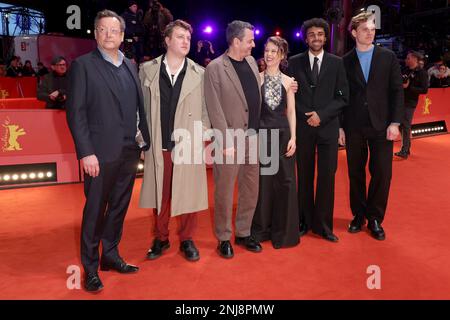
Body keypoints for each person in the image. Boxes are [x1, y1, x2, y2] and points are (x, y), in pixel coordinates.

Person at [66, 9, 151, 292]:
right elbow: (75, 113)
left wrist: (142, 141)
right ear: (96, 33)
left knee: (118, 207)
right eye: (102, 29)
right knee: (95, 211)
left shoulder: (130, 64)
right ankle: (90, 268)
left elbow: (138, 107)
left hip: (128, 151)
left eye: (114, 31)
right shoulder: (83, 66)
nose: (108, 35)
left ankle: (111, 256)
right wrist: (85, 152)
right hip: (99, 155)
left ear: (123, 35)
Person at [139, 20, 210, 262]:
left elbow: (205, 111)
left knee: (188, 193)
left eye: (188, 38)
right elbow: (140, 109)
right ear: (167, 40)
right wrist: (141, 138)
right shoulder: (147, 70)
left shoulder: (200, 73)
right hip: (159, 143)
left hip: (187, 144)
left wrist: (202, 136)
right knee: (160, 195)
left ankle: (187, 239)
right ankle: (161, 238)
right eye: (179, 37)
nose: (185, 41)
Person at [340, 11, 404, 241]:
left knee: (382, 173)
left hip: (382, 125)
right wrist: (340, 127)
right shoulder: (344, 61)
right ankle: (358, 215)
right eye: (365, 29)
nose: (371, 33)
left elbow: (397, 91)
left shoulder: (388, 57)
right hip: (353, 124)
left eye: (373, 28)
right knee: (355, 173)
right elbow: (341, 95)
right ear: (354, 32)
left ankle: (375, 218)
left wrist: (395, 122)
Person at [204, 20, 263, 258]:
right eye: (250, 40)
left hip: (254, 137)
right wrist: (224, 141)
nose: (253, 44)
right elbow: (214, 107)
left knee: (251, 188)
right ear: (236, 41)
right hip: (229, 139)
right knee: (225, 191)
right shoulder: (215, 68)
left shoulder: (250, 61)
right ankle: (223, 237)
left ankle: (243, 232)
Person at [288, 18, 349, 242]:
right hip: (303, 129)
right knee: (303, 177)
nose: (316, 38)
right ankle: (303, 221)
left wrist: (321, 115)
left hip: (328, 129)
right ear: (306, 38)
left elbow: (343, 96)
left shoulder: (336, 63)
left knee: (327, 177)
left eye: (320, 34)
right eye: (312, 34)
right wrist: (309, 115)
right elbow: (290, 95)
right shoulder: (293, 62)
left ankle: (323, 226)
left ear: (325, 37)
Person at [251, 36, 299, 249]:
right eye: (267, 50)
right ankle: (261, 231)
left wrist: (294, 138)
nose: (269, 55)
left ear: (282, 55)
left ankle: (284, 232)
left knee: (286, 183)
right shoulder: (257, 79)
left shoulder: (289, 81)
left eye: (274, 51)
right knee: (264, 184)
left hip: (282, 136)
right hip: (263, 136)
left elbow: (291, 112)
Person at [395, 51, 429, 159]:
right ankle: (406, 148)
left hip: (410, 102)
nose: (406, 60)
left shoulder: (422, 73)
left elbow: (424, 90)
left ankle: (404, 150)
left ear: (414, 59)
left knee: (405, 125)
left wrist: (408, 88)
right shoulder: (405, 70)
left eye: (408, 58)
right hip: (400, 100)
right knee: (400, 124)